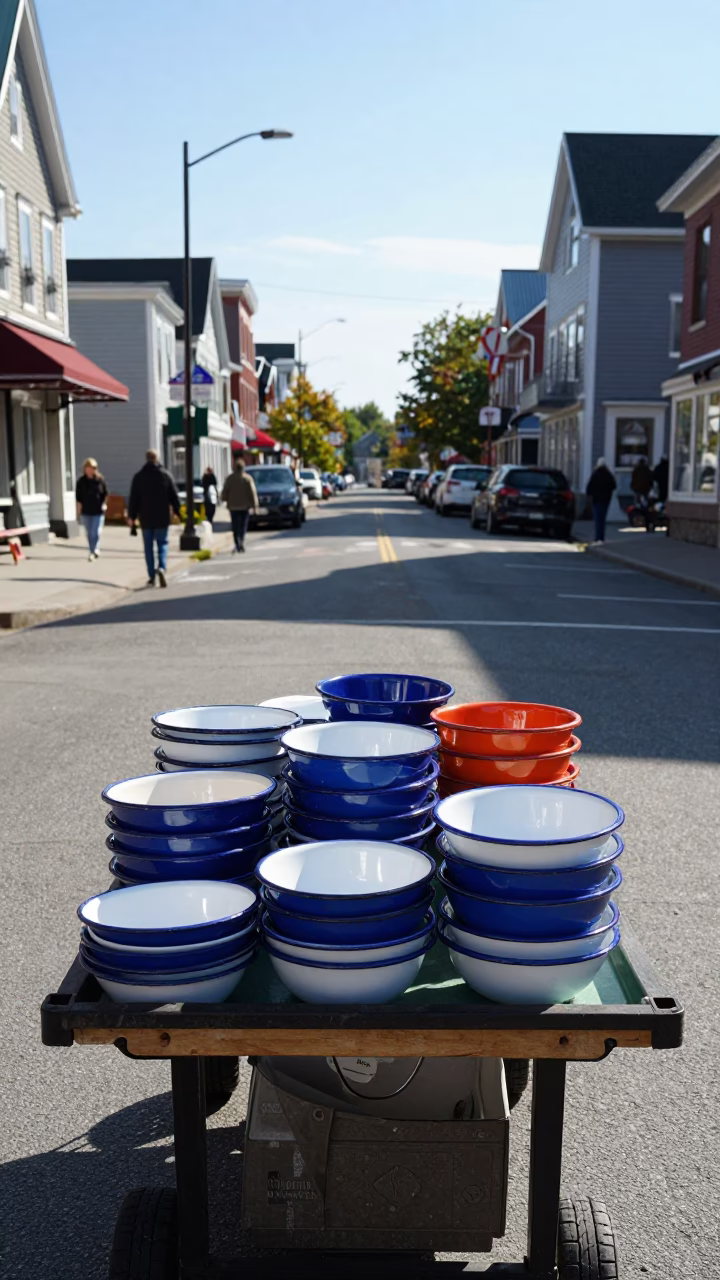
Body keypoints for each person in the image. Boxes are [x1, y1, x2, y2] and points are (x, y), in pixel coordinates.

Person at [127, 448, 181, 587]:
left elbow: (134, 499)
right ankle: (161, 567)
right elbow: (174, 496)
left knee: (148, 547)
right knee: (162, 544)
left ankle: (151, 576)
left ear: (146, 459)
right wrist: (177, 511)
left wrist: (131, 516)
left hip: (145, 517)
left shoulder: (138, 477)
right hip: (162, 516)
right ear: (157, 459)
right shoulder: (165, 475)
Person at [221, 458, 258, 553]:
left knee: (235, 526)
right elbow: (252, 493)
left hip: (233, 506)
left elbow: (225, 491)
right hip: (244, 506)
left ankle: (237, 542)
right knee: (243, 526)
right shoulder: (247, 479)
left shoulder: (230, 479)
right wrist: (255, 506)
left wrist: (224, 499)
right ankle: (241, 541)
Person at [75, 457, 108, 561]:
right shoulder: (81, 482)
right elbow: (79, 498)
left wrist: (104, 504)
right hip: (86, 511)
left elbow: (105, 494)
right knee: (89, 533)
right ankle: (93, 549)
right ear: (85, 469)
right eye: (89, 468)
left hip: (98, 510)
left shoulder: (99, 480)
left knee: (96, 532)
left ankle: (93, 551)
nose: (91, 470)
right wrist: (78, 512)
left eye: (93, 468)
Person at [585, 457, 616, 543]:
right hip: (606, 500)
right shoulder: (608, 475)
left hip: (596, 499)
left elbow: (589, 488)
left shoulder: (595, 474)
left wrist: (590, 495)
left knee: (598, 518)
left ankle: (597, 536)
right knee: (603, 518)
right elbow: (613, 485)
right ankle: (601, 536)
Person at [631, 456, 654, 530]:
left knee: (638, 506)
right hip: (646, 491)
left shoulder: (636, 470)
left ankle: (638, 521)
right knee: (647, 507)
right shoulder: (648, 470)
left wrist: (634, 488)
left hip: (638, 491)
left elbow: (633, 480)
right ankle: (647, 522)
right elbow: (651, 481)